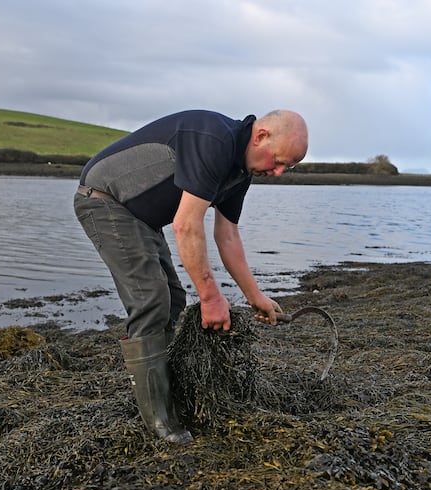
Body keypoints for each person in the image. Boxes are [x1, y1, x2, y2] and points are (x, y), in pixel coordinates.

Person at [73, 109, 308, 443]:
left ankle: (162, 398)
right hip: (104, 200)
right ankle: (159, 422)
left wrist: (256, 297)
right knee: (151, 301)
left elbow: (227, 236)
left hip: (141, 218)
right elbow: (185, 224)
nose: (280, 172)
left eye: (289, 167)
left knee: (173, 299)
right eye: (279, 161)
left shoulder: (240, 173)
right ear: (261, 136)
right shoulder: (213, 139)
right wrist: (211, 297)